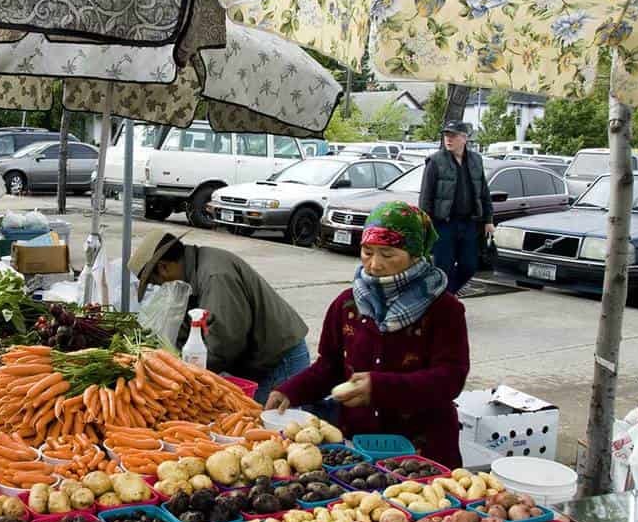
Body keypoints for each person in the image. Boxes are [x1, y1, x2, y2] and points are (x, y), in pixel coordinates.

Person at [266, 202, 468, 466]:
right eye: (367, 252)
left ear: (416, 254)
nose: (374, 265)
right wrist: (290, 391)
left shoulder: (444, 309)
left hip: (424, 451)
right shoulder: (347, 304)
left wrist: (380, 387)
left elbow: (450, 378)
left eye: (387, 254)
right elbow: (330, 366)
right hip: (359, 449)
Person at [128, 229, 311, 404]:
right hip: (260, 361)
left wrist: (188, 377)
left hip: (280, 360)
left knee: (270, 427)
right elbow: (191, 324)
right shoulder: (193, 272)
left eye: (156, 282)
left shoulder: (216, 277)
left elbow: (226, 341)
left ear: (163, 267)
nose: (161, 286)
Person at [420, 121, 494, 295]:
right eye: (446, 135)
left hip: (468, 223)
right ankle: (443, 301)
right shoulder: (435, 161)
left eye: (453, 136)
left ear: (464, 138)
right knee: (443, 267)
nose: (448, 139)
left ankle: (447, 295)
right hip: (443, 224)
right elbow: (425, 197)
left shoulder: (476, 160)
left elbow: (484, 192)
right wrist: (425, 225)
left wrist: (489, 220)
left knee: (469, 266)